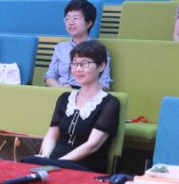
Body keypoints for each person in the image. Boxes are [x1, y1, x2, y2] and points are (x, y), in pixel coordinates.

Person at [29, 40, 121, 173]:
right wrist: (46, 156)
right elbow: (51, 135)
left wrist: (57, 163)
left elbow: (92, 145)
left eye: (84, 64)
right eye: (75, 63)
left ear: (101, 66)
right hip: (55, 162)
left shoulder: (110, 103)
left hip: (85, 166)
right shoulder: (65, 98)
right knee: (27, 161)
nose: (78, 69)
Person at [45, 0, 113, 89]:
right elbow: (50, 76)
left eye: (75, 18)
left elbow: (104, 84)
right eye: (67, 19)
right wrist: (60, 88)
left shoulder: (98, 50)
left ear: (89, 23)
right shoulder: (60, 48)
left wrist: (78, 93)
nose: (71, 22)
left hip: (85, 93)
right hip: (60, 90)